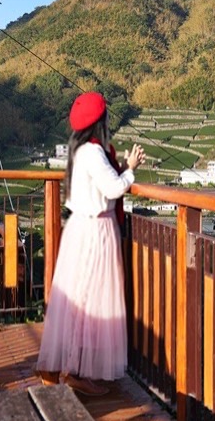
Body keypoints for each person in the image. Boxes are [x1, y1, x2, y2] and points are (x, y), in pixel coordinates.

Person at [35, 91, 145, 396]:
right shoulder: (94, 153)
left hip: (81, 229)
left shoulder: (80, 151)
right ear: (101, 122)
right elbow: (112, 188)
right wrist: (131, 168)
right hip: (96, 232)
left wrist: (121, 168)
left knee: (79, 299)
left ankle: (72, 366)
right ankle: (77, 371)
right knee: (90, 300)